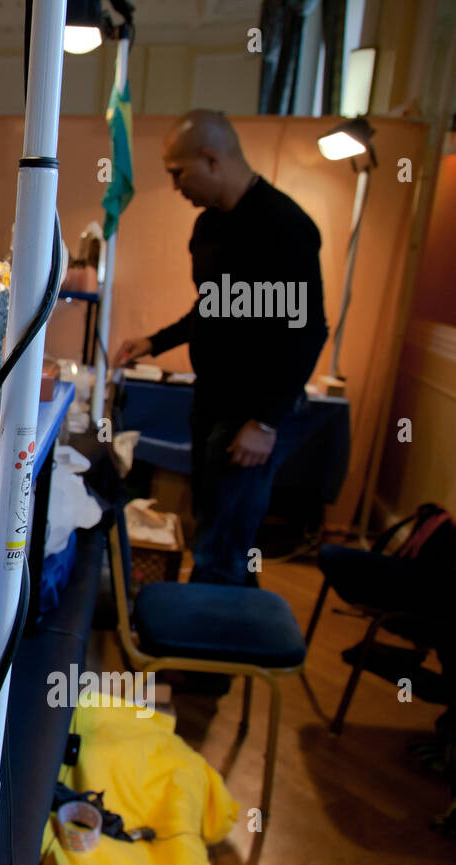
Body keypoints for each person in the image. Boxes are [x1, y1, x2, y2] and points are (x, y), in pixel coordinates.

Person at [112, 109, 328, 587]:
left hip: (251, 414)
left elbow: (309, 331)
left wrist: (266, 421)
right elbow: (212, 309)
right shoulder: (208, 229)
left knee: (224, 545)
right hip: (211, 400)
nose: (174, 186)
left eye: (177, 172)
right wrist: (155, 342)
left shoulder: (285, 227)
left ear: (211, 159)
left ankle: (198, 653)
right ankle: (215, 636)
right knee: (214, 527)